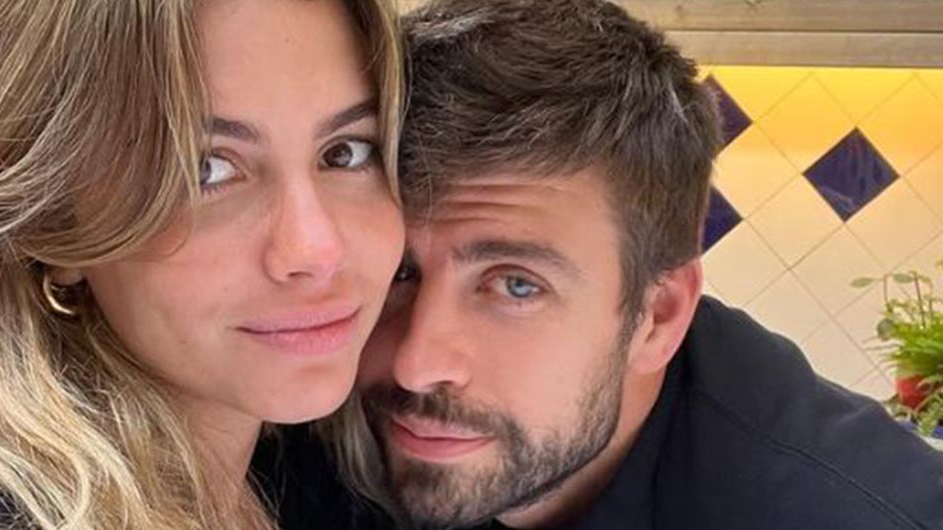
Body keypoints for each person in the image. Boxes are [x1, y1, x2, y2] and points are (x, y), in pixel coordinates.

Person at [300, 0, 943, 529]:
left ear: (657, 316)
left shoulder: (835, 513)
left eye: (516, 285)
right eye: (398, 271)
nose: (415, 364)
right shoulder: (312, 420)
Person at [0, 0, 403, 528]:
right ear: (56, 222)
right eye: (206, 169)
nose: (317, 252)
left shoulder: (319, 475)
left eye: (345, 153)